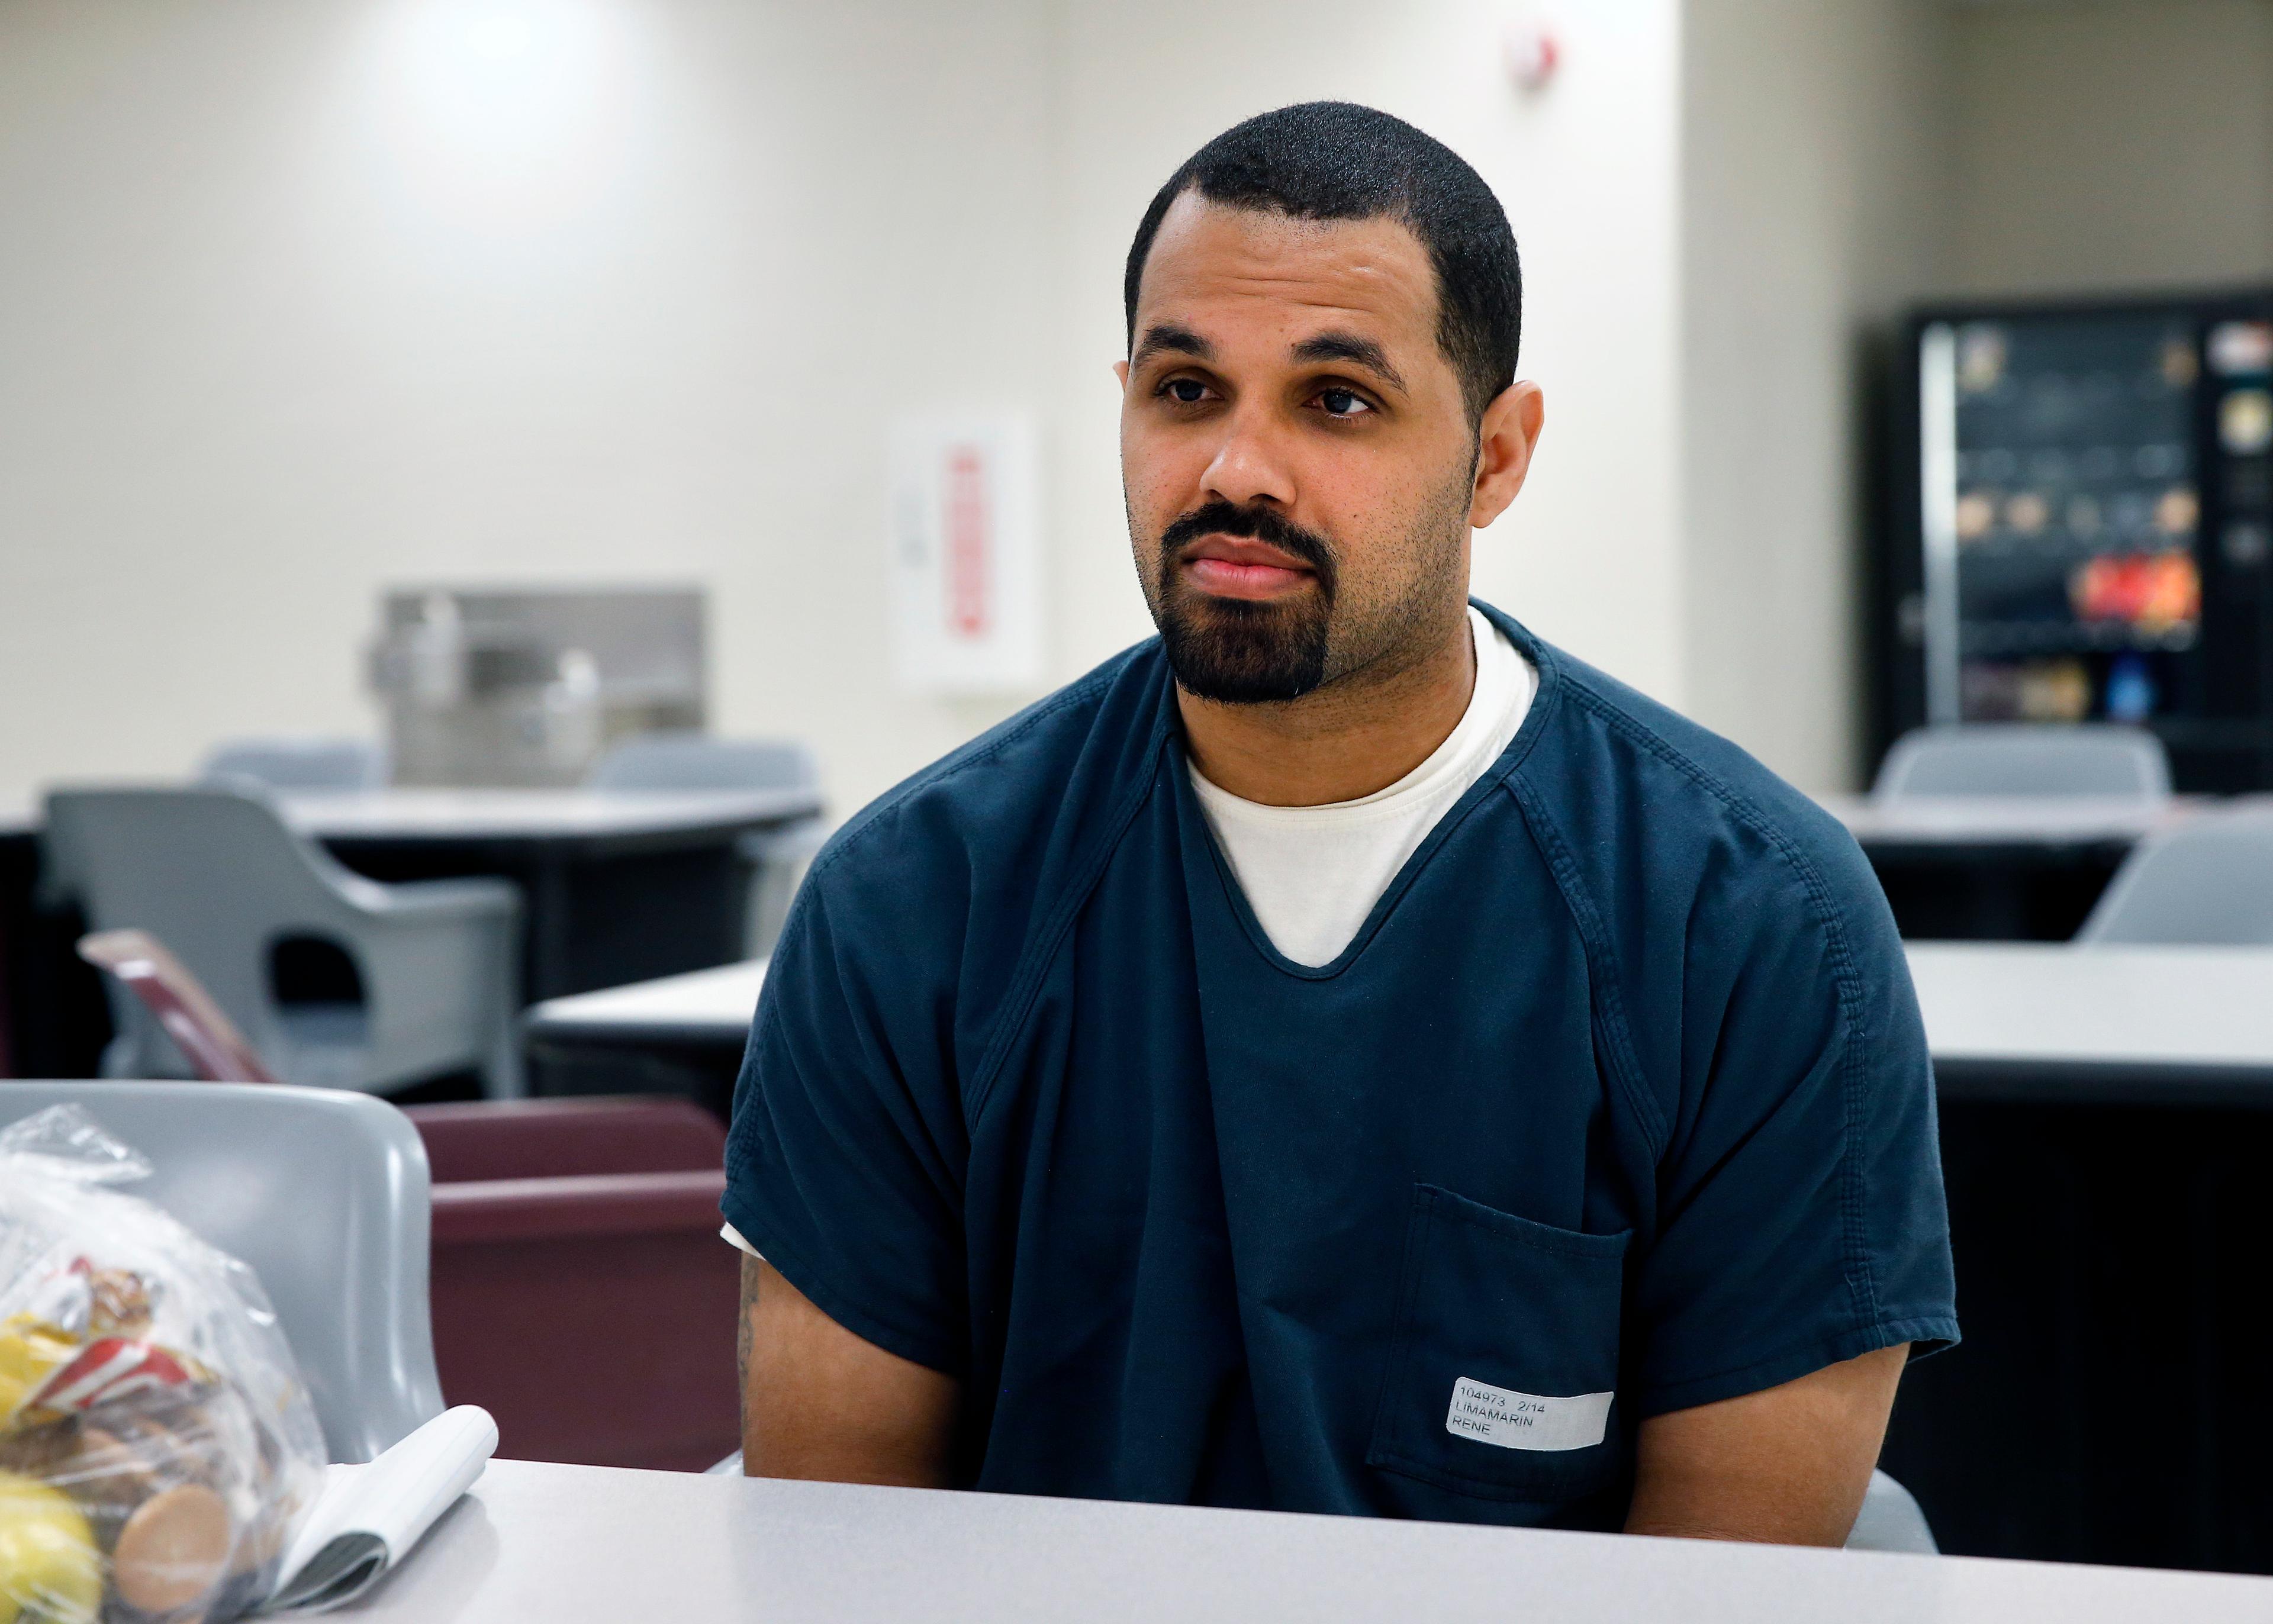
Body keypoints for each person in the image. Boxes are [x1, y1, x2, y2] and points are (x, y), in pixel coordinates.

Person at [723, 101, 1956, 1543]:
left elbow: (1720, 1590)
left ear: (1497, 456)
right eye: (1186, 391)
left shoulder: (1754, 925)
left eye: (1339, 402)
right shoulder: (911, 906)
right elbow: (840, 1551)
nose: (1239, 470)